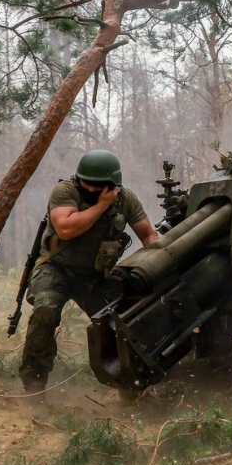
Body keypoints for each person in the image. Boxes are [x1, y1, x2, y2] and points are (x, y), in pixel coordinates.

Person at [19, 149, 159, 393]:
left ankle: (129, 385)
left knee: (122, 323)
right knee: (46, 311)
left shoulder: (126, 199)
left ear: (112, 185)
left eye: (96, 186)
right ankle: (34, 382)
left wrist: (160, 261)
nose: (89, 189)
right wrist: (101, 205)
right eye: (85, 183)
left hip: (96, 277)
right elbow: (65, 228)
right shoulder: (65, 191)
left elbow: (148, 235)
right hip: (56, 268)